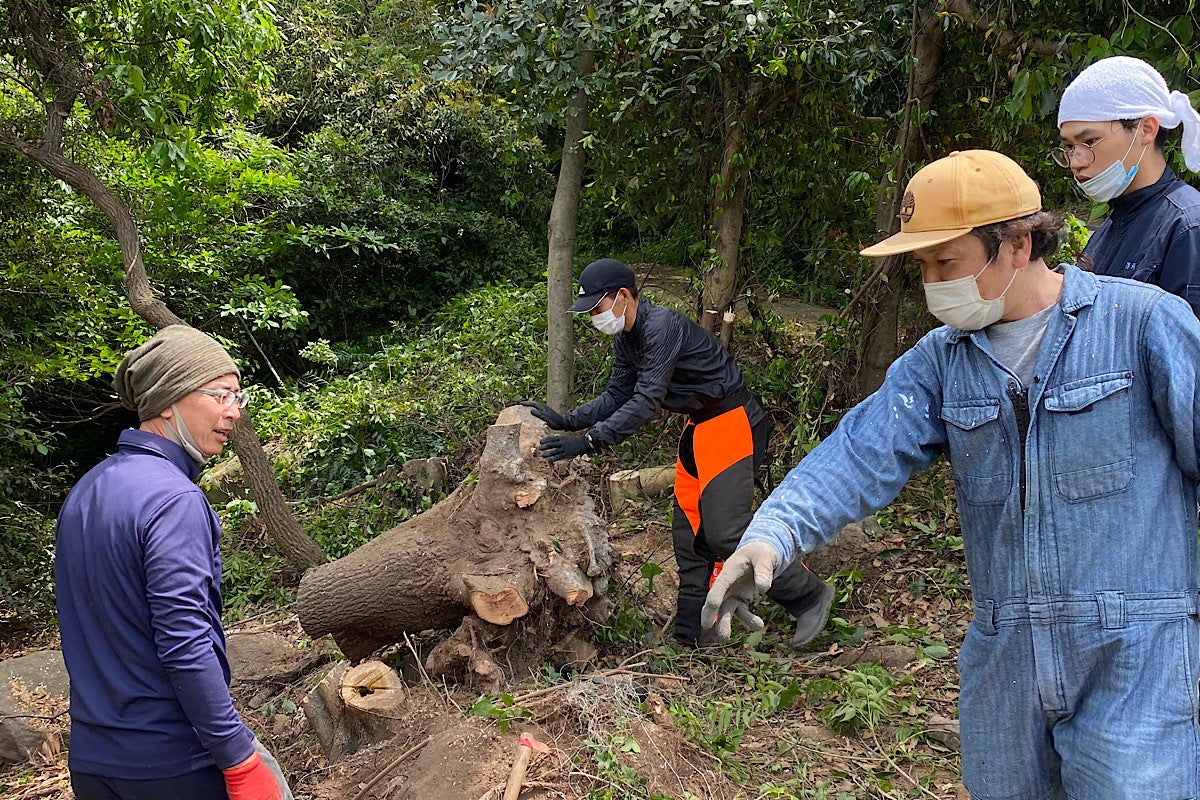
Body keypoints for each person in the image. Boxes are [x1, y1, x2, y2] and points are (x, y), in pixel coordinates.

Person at [703, 150, 1200, 798]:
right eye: (923, 267)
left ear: (1017, 244)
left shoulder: (1142, 326)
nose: (933, 283)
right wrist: (772, 534)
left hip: (1137, 658)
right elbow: (858, 453)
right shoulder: (942, 362)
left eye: (946, 262)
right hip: (1005, 662)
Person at [523, 258, 833, 648]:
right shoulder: (627, 337)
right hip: (698, 429)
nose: (593, 317)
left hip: (730, 422)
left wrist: (589, 442)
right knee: (689, 537)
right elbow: (617, 395)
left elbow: (646, 400)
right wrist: (568, 421)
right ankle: (694, 633)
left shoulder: (661, 326)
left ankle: (808, 596)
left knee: (725, 532)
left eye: (596, 307)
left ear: (623, 296)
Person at [55, 325, 291, 800]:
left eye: (238, 397)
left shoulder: (85, 492)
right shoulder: (173, 500)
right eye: (220, 394)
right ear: (168, 401)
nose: (233, 411)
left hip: (94, 763)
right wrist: (239, 759)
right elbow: (185, 642)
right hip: (175, 764)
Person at [1055, 55, 1200, 317]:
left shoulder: (1187, 228)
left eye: (1089, 141)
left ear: (1146, 129)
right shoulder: (1110, 228)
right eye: (1069, 147)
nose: (1076, 161)